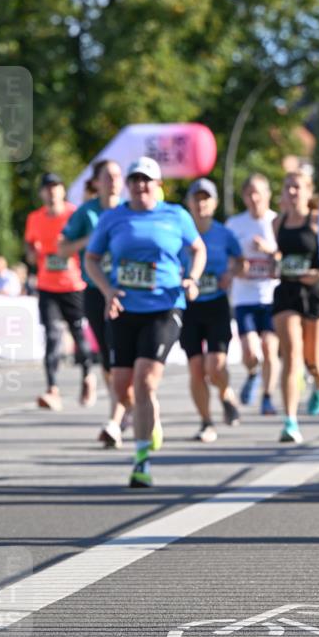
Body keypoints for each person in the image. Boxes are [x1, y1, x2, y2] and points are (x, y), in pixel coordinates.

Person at [85, 157, 206, 487]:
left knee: (145, 380)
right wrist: (107, 290)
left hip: (164, 307)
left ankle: (141, 462)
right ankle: (149, 416)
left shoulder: (176, 215)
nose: (140, 185)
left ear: (158, 185)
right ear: (128, 184)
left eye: (146, 180)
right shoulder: (113, 217)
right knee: (122, 388)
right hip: (124, 309)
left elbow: (198, 249)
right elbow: (91, 258)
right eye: (135, 179)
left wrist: (192, 278)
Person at [58, 159, 131, 446]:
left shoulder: (131, 209)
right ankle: (123, 408)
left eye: (117, 175)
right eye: (107, 176)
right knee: (110, 358)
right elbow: (62, 249)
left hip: (129, 292)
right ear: (96, 182)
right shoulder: (86, 213)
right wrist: (90, 239)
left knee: (123, 354)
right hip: (95, 291)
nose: (113, 181)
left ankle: (117, 417)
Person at [24, 172, 96, 410]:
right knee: (52, 336)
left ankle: (87, 375)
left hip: (73, 285)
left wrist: (76, 249)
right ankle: (52, 389)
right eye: (47, 188)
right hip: (47, 286)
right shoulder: (34, 218)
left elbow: (90, 241)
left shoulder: (75, 214)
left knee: (78, 335)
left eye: (56, 187)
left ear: (63, 191)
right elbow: (29, 243)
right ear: (41, 193)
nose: (52, 191)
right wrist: (31, 253)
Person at [181, 178, 243, 442]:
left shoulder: (223, 233)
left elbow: (240, 261)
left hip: (216, 303)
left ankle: (225, 392)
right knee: (196, 368)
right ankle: (206, 422)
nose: (201, 204)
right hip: (188, 306)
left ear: (214, 203)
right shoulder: (180, 231)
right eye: (196, 198)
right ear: (188, 203)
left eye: (206, 198)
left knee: (215, 366)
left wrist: (231, 273)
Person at [272, 170, 319, 444]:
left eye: (297, 187)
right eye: (288, 187)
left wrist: (318, 274)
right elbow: (279, 255)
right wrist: (273, 262)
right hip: (287, 292)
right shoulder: (277, 222)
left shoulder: (318, 220)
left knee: (313, 360)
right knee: (292, 355)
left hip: (315, 294)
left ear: (309, 192)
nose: (292, 192)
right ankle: (290, 421)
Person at [226, 174, 280, 415]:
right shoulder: (234, 224)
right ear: (244, 197)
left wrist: (270, 251)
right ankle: (252, 372)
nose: (254, 198)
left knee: (269, 348)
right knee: (250, 351)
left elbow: (288, 254)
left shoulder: (277, 221)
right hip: (244, 297)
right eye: (249, 194)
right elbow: (228, 258)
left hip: (272, 296)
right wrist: (238, 268)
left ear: (268, 195)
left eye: (258, 193)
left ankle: (267, 397)